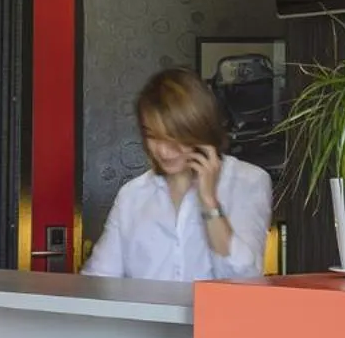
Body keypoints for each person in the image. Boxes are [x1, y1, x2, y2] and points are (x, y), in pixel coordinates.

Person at [83, 67, 272, 282]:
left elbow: (244, 281)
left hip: (214, 307)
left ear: (199, 129)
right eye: (153, 137)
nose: (163, 151)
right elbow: (100, 280)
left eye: (173, 138)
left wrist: (209, 203)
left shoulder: (248, 182)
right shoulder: (132, 195)